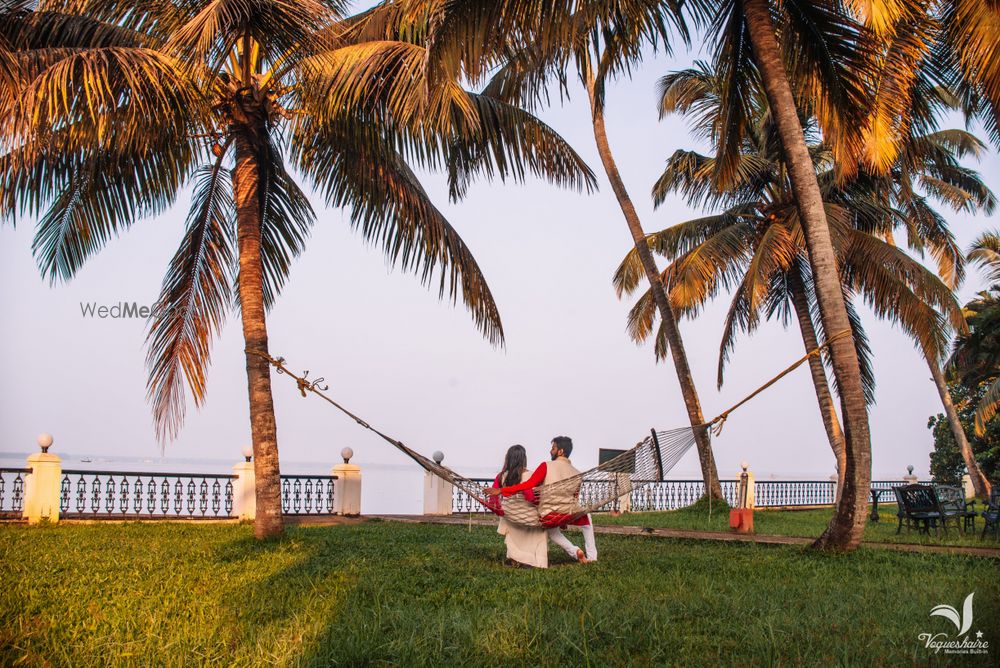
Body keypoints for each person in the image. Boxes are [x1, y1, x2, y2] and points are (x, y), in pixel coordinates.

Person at [487, 436, 598, 563]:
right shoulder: (578, 473)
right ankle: (592, 557)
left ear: (560, 451)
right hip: (570, 511)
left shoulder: (546, 466)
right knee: (587, 518)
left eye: (553, 448)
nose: (551, 451)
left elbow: (528, 485)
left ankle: (574, 551)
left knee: (552, 531)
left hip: (550, 513)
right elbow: (574, 497)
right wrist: (564, 521)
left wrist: (502, 490)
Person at [491, 445, 548, 568]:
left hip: (510, 515)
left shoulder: (501, 476)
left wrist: (500, 510)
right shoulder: (531, 475)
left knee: (509, 521)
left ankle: (515, 558)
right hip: (529, 517)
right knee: (539, 525)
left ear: (508, 458)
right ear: (523, 459)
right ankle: (535, 560)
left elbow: (493, 498)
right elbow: (532, 498)